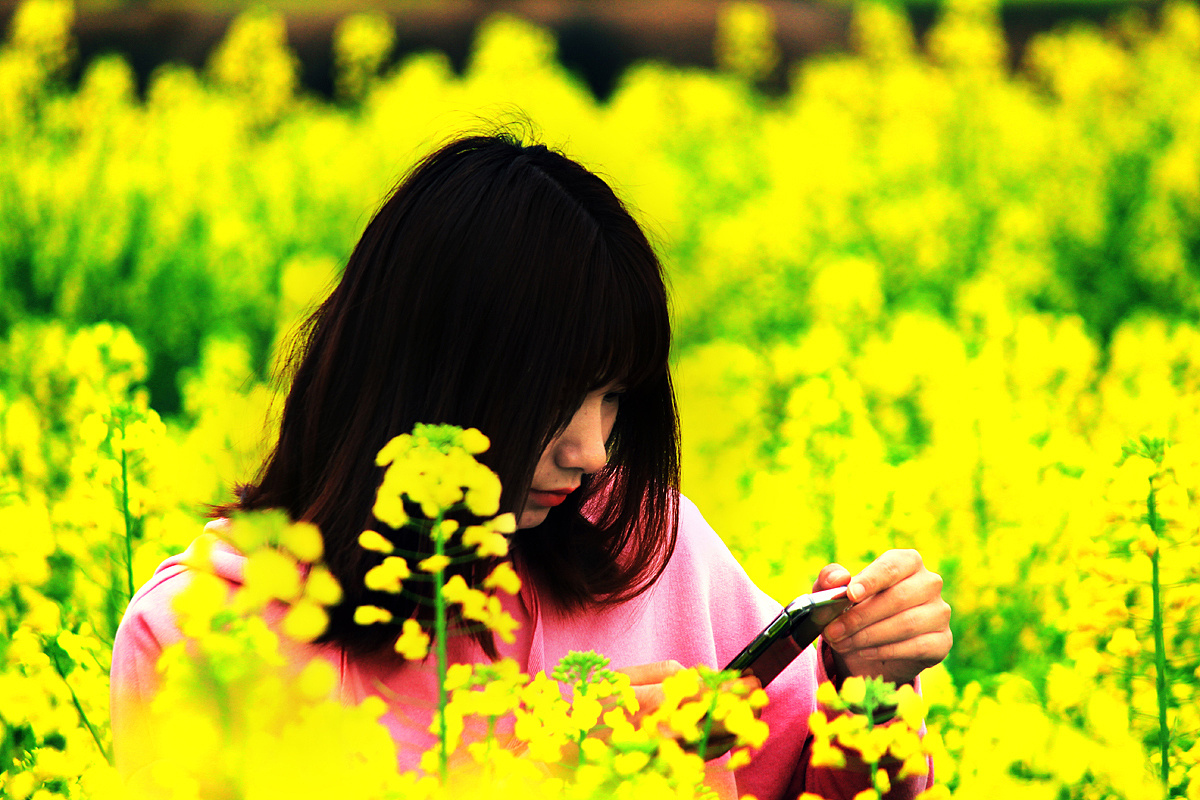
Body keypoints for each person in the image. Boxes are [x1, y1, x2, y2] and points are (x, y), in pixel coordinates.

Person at [111, 133, 952, 800]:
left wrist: (866, 688)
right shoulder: (196, 633)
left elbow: (818, 782)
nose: (592, 453)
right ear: (432, 376)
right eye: (554, 398)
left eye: (612, 399)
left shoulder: (648, 547)